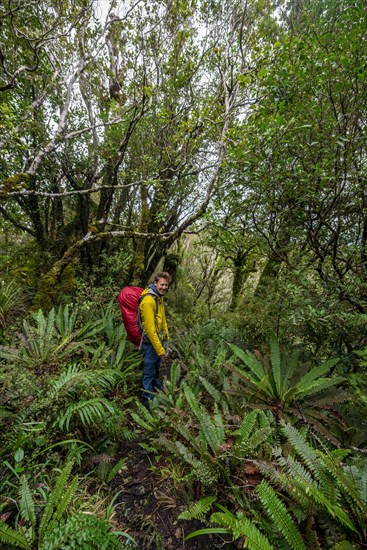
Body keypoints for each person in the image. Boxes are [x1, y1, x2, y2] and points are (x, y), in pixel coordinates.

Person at [139, 271, 171, 405]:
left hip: (158, 342)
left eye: (166, 285)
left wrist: (166, 338)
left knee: (156, 371)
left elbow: (162, 319)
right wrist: (160, 350)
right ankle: (148, 404)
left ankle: (159, 396)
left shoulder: (158, 297)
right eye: (162, 284)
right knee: (148, 374)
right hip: (150, 344)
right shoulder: (148, 301)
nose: (164, 287)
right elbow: (150, 330)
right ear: (155, 283)